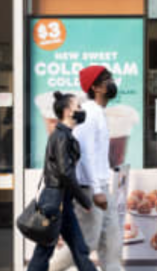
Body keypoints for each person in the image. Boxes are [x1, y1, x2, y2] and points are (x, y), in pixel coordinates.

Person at [50, 66, 124, 271]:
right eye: (107, 79)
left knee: (112, 243)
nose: (112, 82)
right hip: (90, 189)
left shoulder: (97, 113)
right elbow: (85, 155)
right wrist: (97, 191)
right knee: (86, 242)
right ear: (96, 87)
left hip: (100, 187)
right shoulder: (89, 113)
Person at [27, 92, 97, 271]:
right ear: (67, 111)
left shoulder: (65, 135)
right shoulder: (61, 137)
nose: (81, 110)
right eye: (78, 107)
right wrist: (84, 199)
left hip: (62, 202)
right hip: (55, 203)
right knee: (44, 252)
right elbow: (66, 173)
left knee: (79, 249)